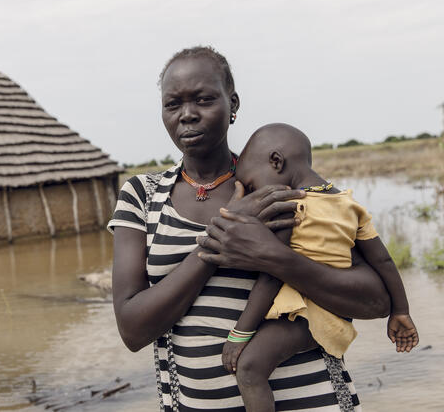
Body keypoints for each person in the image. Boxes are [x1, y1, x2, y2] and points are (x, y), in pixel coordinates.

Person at [108, 46, 390, 411]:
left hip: (314, 400)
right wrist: (220, 240)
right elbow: (132, 330)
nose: (188, 115)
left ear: (233, 104)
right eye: (173, 104)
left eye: (204, 99)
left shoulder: (280, 185)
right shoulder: (142, 197)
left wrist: (273, 256)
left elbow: (376, 300)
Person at [215, 122, 419, 411]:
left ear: (276, 161)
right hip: (335, 316)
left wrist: (240, 334)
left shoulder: (289, 207)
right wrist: (401, 311)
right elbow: (383, 261)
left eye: (249, 185)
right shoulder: (348, 204)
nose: (249, 194)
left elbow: (272, 275)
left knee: (249, 368)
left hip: (307, 317)